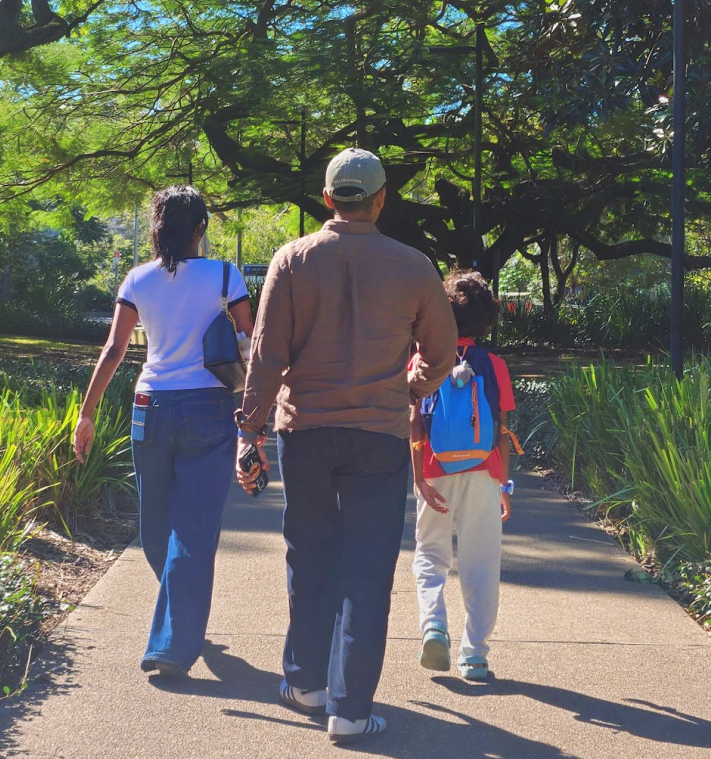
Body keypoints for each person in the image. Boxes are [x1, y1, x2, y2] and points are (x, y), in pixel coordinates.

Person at [235, 147, 457, 743]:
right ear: (382, 199)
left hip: (303, 430)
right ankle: (351, 710)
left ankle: (305, 681)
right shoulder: (415, 266)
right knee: (367, 569)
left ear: (329, 199)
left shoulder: (292, 258)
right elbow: (442, 353)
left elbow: (266, 355)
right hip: (378, 437)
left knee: (308, 555)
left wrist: (249, 431)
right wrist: (413, 384)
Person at [73, 186, 253, 679]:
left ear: (157, 228)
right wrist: (254, 416)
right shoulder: (224, 274)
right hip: (207, 407)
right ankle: (173, 644)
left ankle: (177, 615)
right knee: (193, 528)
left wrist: (86, 414)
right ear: (200, 229)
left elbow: (114, 349)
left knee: (156, 521)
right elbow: (250, 344)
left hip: (148, 406)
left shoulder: (137, 278)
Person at [410, 269, 517, 683]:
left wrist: (420, 477)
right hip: (483, 471)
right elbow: (502, 431)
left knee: (431, 553)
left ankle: (434, 625)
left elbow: (415, 424)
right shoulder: (494, 364)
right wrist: (503, 483)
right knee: (481, 562)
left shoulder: (423, 359)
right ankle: (474, 654)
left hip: (435, 469)